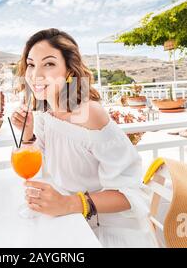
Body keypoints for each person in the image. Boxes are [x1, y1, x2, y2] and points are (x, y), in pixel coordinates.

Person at [11, 28, 156, 247]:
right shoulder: (44, 113)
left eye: (49, 64)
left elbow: (130, 194)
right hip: (71, 222)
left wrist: (68, 204)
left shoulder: (90, 114)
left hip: (108, 231)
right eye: (31, 64)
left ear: (69, 70)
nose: (36, 74)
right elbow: (38, 167)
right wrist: (28, 133)